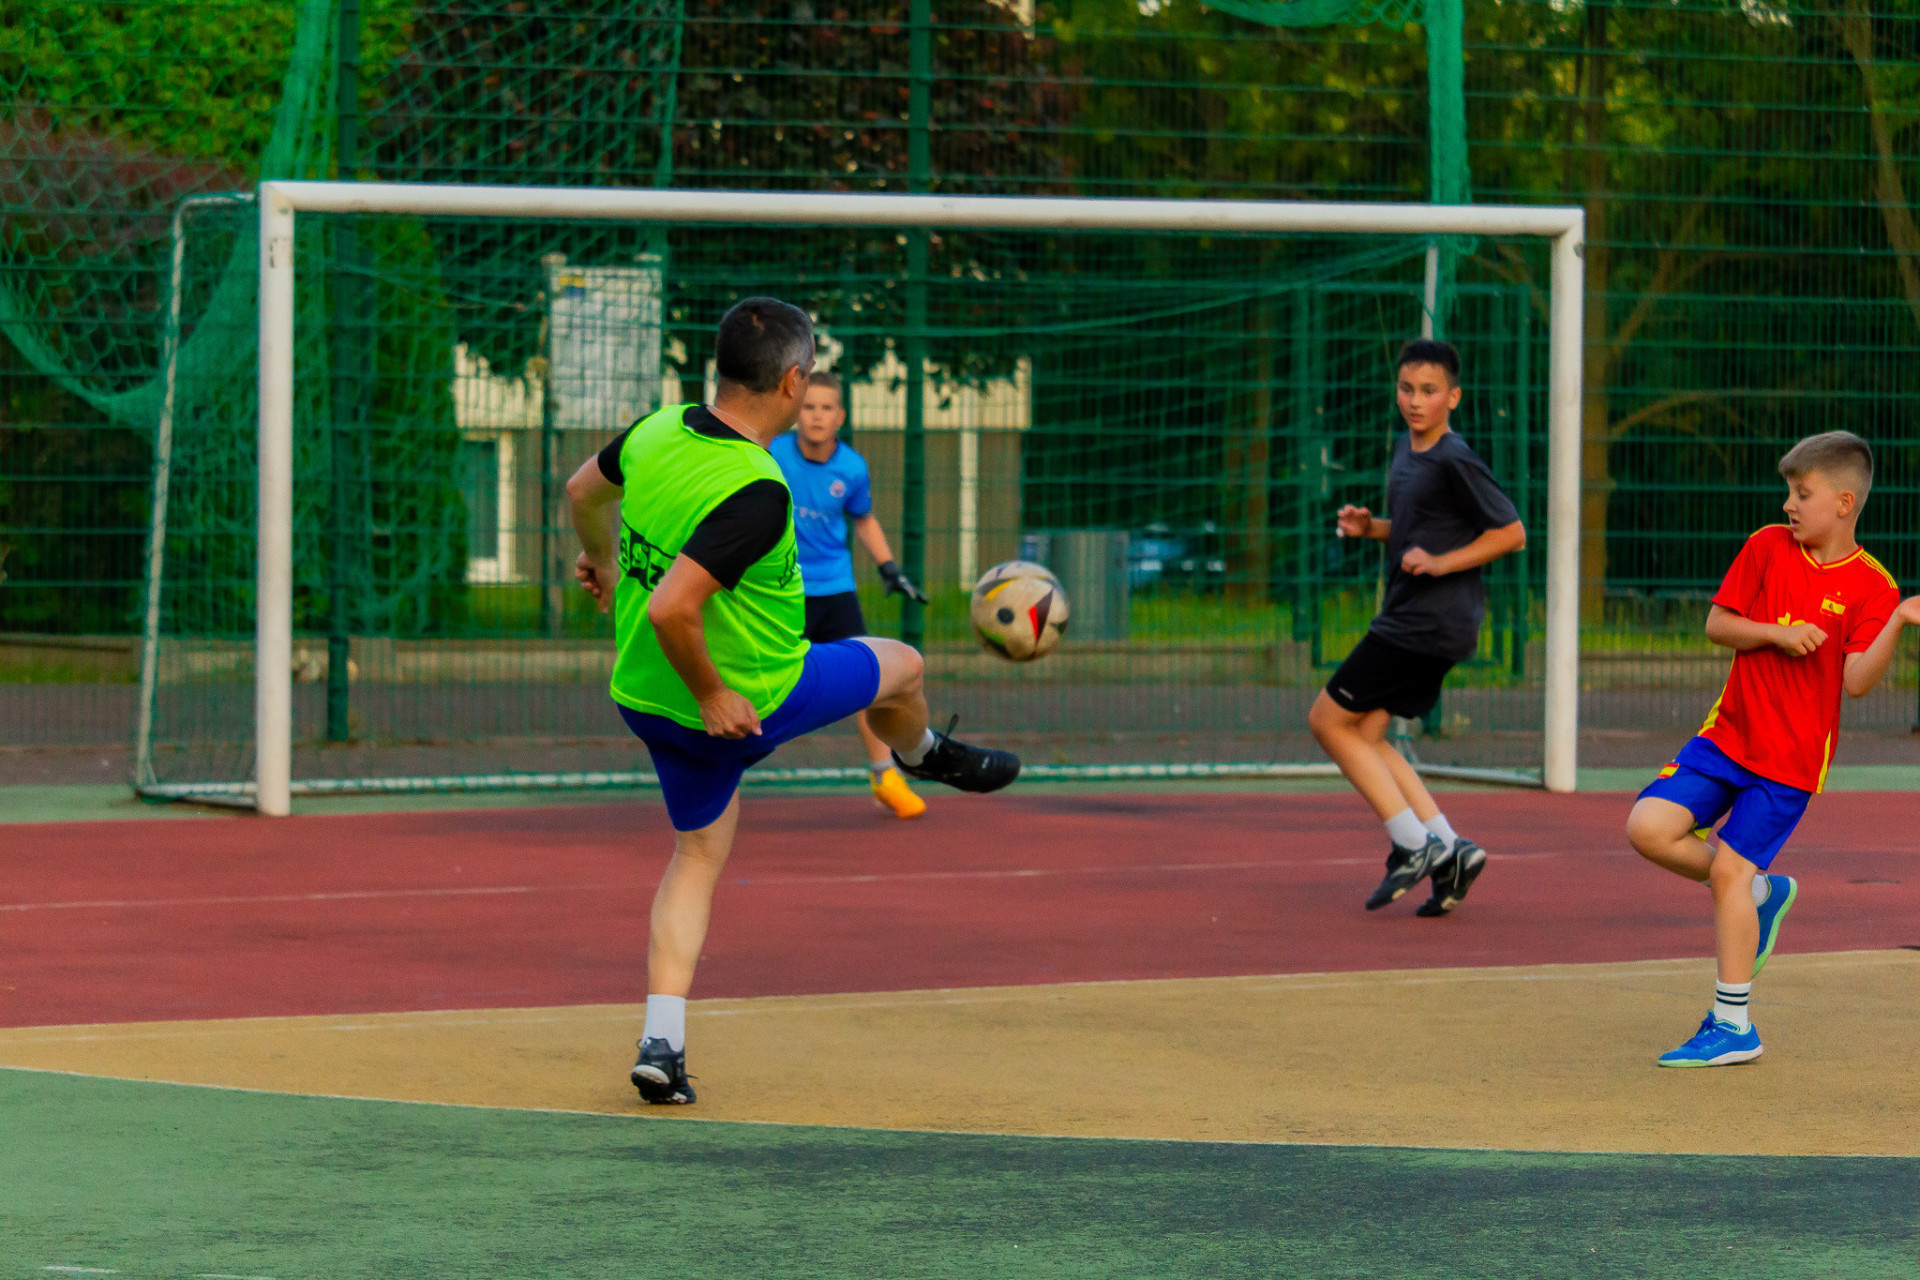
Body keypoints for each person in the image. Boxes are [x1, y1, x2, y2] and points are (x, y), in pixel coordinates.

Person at [565, 297, 1020, 1105]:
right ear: (791, 381)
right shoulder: (756, 489)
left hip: (644, 695)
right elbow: (672, 607)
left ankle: (662, 1045)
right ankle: (922, 754)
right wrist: (714, 693)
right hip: (756, 693)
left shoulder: (655, 431)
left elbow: (580, 491)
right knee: (904, 664)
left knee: (697, 857)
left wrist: (598, 560)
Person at [1626, 431, 1914, 1068]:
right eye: (1789, 491)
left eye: (1802, 493)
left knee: (1728, 871)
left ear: (1844, 502)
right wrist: (1776, 634)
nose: (1789, 504)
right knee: (1647, 827)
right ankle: (1762, 893)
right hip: (1726, 737)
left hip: (1789, 764)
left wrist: (1896, 622)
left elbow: (1857, 683)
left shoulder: (1874, 587)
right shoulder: (1766, 545)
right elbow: (1717, 624)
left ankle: (1734, 1024)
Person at [1308, 338, 1526, 916]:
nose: (1415, 400)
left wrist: (1441, 564)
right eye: (1407, 389)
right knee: (1368, 734)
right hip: (1421, 621)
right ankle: (1452, 849)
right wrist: (1372, 529)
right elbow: (1418, 528)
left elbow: (1511, 533)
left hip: (1423, 623)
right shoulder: (1407, 450)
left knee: (1326, 720)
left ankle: (1412, 844)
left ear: (1453, 397)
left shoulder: (1455, 458)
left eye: (1429, 391)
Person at [769, 370, 932, 819]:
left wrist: (889, 567)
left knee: (869, 683)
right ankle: (718, 770)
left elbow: (863, 519)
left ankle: (885, 776)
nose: (816, 416)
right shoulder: (774, 453)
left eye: (826, 408)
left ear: (839, 417)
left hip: (836, 588)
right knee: (758, 681)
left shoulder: (853, 468)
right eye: (808, 406)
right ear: (796, 412)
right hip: (782, 587)